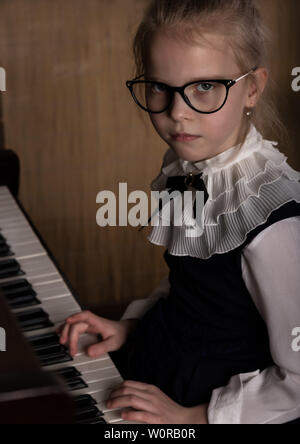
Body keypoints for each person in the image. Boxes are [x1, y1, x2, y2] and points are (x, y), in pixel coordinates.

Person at [58, 0, 300, 424]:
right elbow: (195, 284)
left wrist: (190, 419)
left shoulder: (274, 220)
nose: (177, 112)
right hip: (168, 369)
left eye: (205, 86)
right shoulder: (184, 169)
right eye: (159, 87)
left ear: (253, 88)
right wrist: (132, 328)